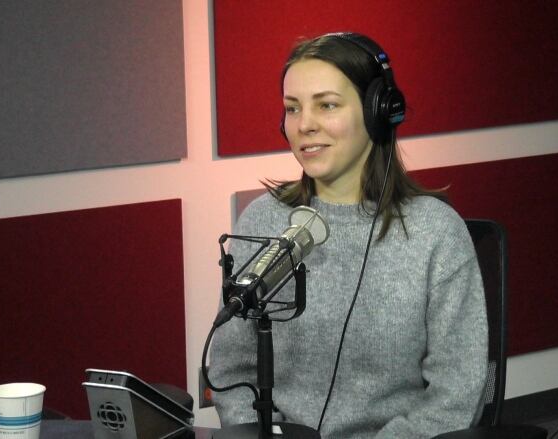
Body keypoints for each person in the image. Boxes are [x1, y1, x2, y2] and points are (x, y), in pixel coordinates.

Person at [209, 32, 488, 439]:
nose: (304, 125)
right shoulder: (262, 222)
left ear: (378, 112)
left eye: (327, 105)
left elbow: (457, 395)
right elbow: (232, 369)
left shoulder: (435, 234)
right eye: (292, 108)